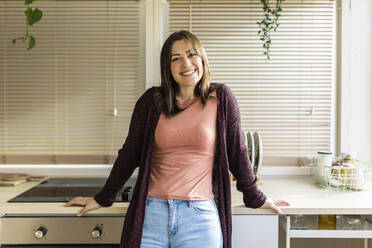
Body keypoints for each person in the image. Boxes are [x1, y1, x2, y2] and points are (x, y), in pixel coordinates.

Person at [65, 30, 289, 248]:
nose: (186, 64)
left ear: (202, 58)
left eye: (192, 54)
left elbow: (237, 152)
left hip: (199, 217)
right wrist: (103, 197)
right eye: (176, 58)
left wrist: (256, 197)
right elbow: (129, 154)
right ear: (167, 67)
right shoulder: (150, 102)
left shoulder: (221, 99)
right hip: (151, 213)